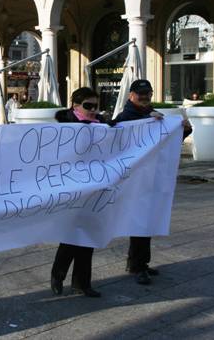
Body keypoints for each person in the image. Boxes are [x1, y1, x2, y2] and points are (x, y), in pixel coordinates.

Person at [113, 79, 192, 285]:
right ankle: (138, 266)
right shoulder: (126, 117)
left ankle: (139, 263)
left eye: (148, 93)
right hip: (135, 180)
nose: (145, 97)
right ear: (131, 95)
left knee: (146, 222)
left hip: (151, 178)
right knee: (139, 222)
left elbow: (168, 143)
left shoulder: (155, 115)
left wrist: (183, 129)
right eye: (140, 94)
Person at [50, 87, 109, 298]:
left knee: (89, 235)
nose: (93, 110)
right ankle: (58, 275)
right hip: (71, 187)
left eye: (96, 106)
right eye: (88, 106)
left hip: (95, 187)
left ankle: (82, 283)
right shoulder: (64, 125)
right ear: (75, 106)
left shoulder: (103, 125)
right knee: (72, 234)